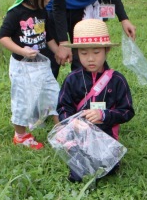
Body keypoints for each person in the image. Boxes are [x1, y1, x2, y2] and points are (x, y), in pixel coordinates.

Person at [57, 19, 134, 182]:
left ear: (107, 51)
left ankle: (108, 160)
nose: (90, 58)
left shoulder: (117, 80)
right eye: (84, 53)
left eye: (96, 52)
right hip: (79, 137)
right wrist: (73, 122)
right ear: (77, 53)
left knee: (109, 170)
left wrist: (104, 115)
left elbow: (127, 111)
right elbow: (63, 107)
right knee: (77, 177)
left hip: (106, 137)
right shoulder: (72, 80)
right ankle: (78, 156)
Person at [0, 0, 63, 150]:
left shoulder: (42, 12)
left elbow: (47, 35)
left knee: (54, 94)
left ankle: (61, 131)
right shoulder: (15, 13)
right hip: (22, 67)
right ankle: (21, 135)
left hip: (42, 65)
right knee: (23, 101)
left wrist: (57, 50)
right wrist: (22, 51)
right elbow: (2, 37)